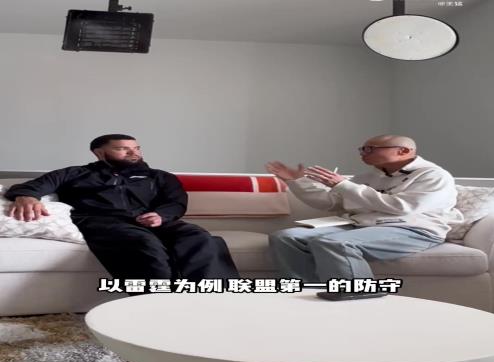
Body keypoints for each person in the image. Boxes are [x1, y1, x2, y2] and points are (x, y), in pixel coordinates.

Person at [5, 134, 239, 291]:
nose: (133, 153)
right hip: (101, 222)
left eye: (136, 148)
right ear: (99, 153)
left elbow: (176, 203)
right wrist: (27, 196)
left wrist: (161, 216)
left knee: (199, 237)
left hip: (154, 220)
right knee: (143, 244)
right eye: (122, 149)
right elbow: (31, 186)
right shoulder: (74, 173)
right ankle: (160, 304)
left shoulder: (159, 176)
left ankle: (214, 300)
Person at [265, 135, 463, 282]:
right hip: (363, 226)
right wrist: (296, 181)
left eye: (371, 149)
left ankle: (358, 296)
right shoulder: (368, 177)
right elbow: (330, 202)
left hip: (413, 229)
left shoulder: (433, 175)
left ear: (403, 151)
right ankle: (305, 291)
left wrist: (343, 184)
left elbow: (402, 206)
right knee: (286, 237)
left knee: (335, 243)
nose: (363, 153)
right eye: (362, 149)